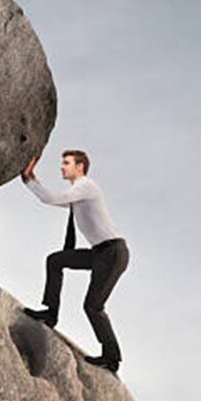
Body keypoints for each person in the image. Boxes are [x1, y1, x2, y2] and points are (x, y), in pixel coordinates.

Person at [21, 149, 130, 372]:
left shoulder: (86, 186)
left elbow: (51, 198)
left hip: (112, 253)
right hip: (99, 253)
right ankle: (50, 313)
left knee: (93, 306)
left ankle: (112, 357)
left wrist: (28, 178)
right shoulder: (78, 194)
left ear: (80, 167)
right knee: (55, 260)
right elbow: (49, 199)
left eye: (67, 163)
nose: (62, 167)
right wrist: (30, 178)